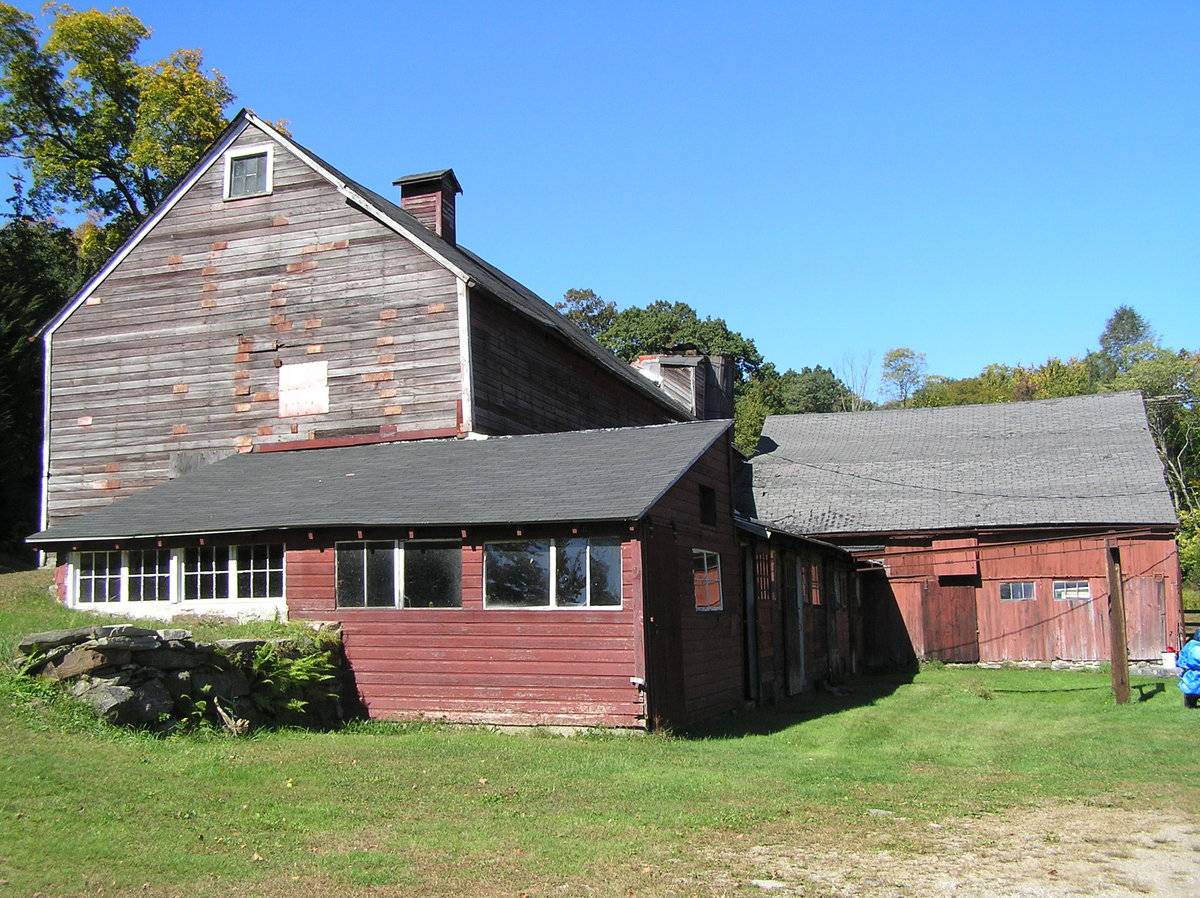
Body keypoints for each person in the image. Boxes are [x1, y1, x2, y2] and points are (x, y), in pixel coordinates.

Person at [1179, 629, 1200, 709]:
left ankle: (1190, 704)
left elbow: (1181, 660)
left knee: (1189, 692)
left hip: (1191, 677)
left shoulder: (1190, 645)